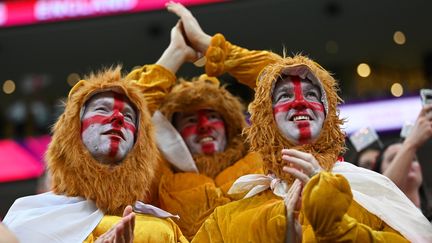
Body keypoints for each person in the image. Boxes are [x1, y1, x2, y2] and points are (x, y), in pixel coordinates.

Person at [166, 2, 432, 242]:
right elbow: (272, 74)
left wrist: (339, 230)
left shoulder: (367, 191)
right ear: (265, 119)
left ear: (329, 112)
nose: (299, 101)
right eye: (283, 96)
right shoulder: (227, 219)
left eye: (312, 94)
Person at [2, 22, 195, 243]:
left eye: (129, 117)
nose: (118, 118)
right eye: (102, 109)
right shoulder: (27, 222)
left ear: (139, 145)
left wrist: (176, 53)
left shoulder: (162, 231)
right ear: (73, 133)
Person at [152, 50, 263, 241]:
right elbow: (128, 105)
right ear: (174, 133)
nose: (204, 126)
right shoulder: (156, 177)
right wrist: (173, 55)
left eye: (212, 117)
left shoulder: (265, 159)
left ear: (230, 126)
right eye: (191, 120)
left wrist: (219, 49)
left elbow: (284, 82)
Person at [374, 104, 432, 221]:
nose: (408, 161)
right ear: (379, 172)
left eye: (413, 158)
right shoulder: (379, 224)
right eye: (393, 158)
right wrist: (411, 143)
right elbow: (382, 191)